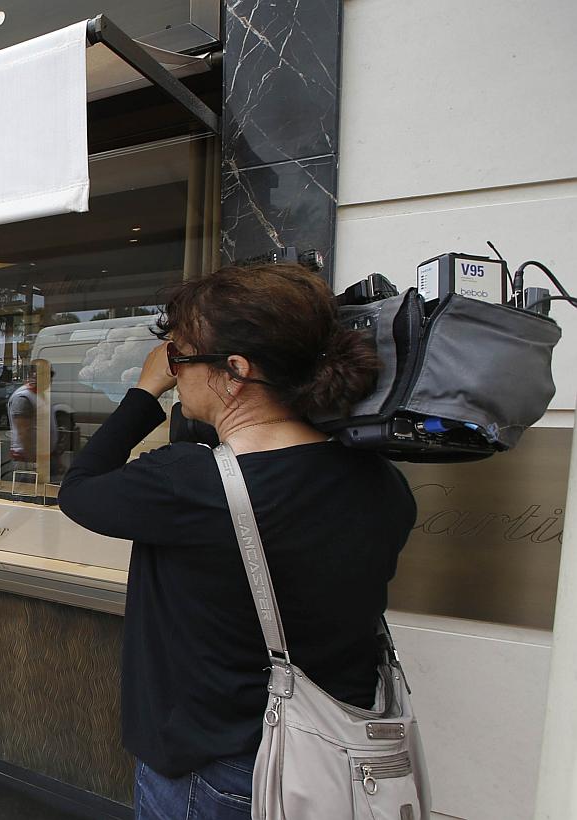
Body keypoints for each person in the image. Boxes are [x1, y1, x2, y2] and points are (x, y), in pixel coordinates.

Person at [57, 264, 416, 819]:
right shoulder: (378, 477)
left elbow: (80, 490)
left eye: (179, 360)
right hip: (325, 757)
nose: (174, 373)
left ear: (234, 372)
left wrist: (144, 390)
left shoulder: (188, 483)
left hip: (214, 771)